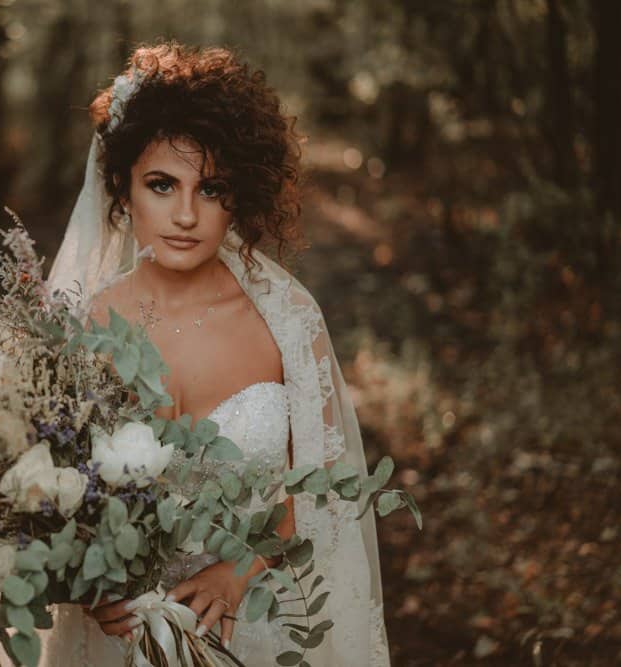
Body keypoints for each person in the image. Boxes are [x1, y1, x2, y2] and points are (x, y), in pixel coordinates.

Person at [41, 41, 389, 666]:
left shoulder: (284, 319)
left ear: (240, 196)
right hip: (115, 639)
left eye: (211, 189)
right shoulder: (81, 326)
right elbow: (43, 494)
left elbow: (321, 493)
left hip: (257, 627)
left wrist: (235, 572)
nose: (184, 214)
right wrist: (84, 586)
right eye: (161, 185)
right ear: (123, 187)